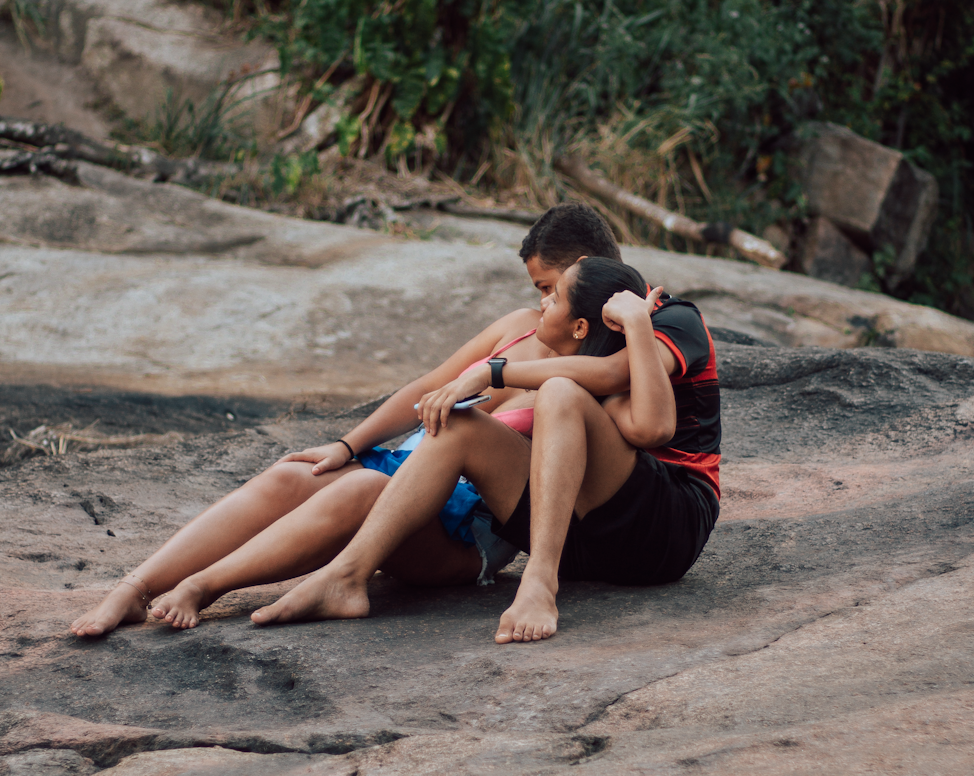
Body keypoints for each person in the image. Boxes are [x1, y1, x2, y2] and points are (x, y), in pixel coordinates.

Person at [69, 203, 622, 638]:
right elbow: (426, 387)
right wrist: (347, 443)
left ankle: (203, 587)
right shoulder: (519, 326)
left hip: (465, 530)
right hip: (405, 469)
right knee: (296, 475)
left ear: (590, 281)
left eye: (551, 290)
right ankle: (136, 586)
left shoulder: (598, 371)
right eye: (539, 290)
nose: (543, 302)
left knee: (360, 490)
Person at [249, 258, 721, 644]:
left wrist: (635, 320)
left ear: (582, 322)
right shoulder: (588, 360)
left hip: (666, 529)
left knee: (559, 391)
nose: (541, 302)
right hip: (585, 541)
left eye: (551, 292)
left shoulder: (674, 318)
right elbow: (605, 375)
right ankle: (347, 576)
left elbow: (653, 425)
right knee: (461, 426)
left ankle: (539, 580)